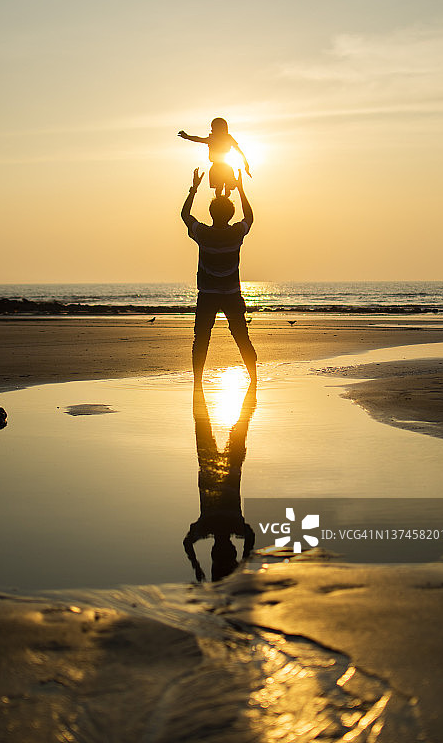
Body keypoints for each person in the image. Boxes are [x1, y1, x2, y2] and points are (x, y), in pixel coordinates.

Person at [181, 167, 257, 387]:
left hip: (207, 295)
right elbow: (250, 217)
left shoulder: (203, 233)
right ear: (231, 215)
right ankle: (253, 379)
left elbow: (185, 215)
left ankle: (197, 381)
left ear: (211, 212)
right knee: (242, 337)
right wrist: (240, 189)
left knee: (201, 339)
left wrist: (194, 188)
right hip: (232, 295)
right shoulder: (236, 233)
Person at [183, 383, 256, 582]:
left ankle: (250, 384)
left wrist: (244, 561)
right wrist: (196, 566)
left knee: (241, 421)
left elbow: (250, 537)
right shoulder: (206, 527)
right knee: (202, 420)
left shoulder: (234, 526)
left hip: (226, 467)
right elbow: (187, 543)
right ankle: (200, 382)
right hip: (210, 466)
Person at [178, 117, 251, 197]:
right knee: (219, 189)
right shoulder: (214, 138)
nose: (211, 130)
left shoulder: (226, 138)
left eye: (213, 128)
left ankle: (225, 194)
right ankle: (221, 197)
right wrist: (187, 137)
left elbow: (239, 151)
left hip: (224, 167)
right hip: (218, 167)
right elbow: (199, 139)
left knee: (226, 189)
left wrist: (246, 164)